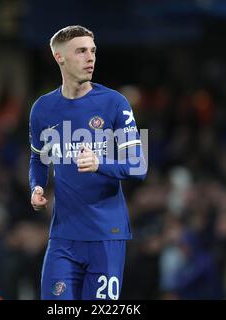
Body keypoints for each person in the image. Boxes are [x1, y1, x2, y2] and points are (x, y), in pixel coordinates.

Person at [29, 25, 147, 300]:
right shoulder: (43, 109)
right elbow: (37, 157)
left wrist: (100, 163)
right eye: (81, 51)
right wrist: (36, 187)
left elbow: (139, 167)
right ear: (60, 57)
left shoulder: (115, 103)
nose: (90, 58)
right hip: (63, 237)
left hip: (107, 235)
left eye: (92, 51)